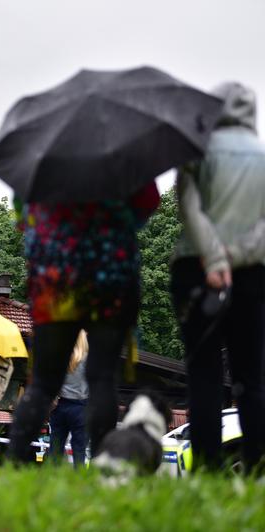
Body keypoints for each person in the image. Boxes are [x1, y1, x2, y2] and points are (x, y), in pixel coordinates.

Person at [7, 182, 160, 464]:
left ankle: (14, 459)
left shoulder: (42, 160)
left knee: (43, 382)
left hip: (55, 281)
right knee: (103, 378)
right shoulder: (122, 160)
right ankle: (105, 462)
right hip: (111, 277)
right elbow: (147, 205)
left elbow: (23, 219)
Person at [171, 81, 265, 473]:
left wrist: (213, 259)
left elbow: (188, 207)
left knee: (204, 373)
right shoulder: (262, 157)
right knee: (252, 375)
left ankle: (207, 471)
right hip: (253, 274)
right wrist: (236, 254)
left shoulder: (196, 150)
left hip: (196, 269)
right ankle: (258, 468)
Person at [48, 330, 89, 468]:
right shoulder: (89, 360)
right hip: (81, 408)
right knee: (79, 449)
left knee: (55, 449)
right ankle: (79, 483)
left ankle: (51, 480)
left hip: (59, 406)